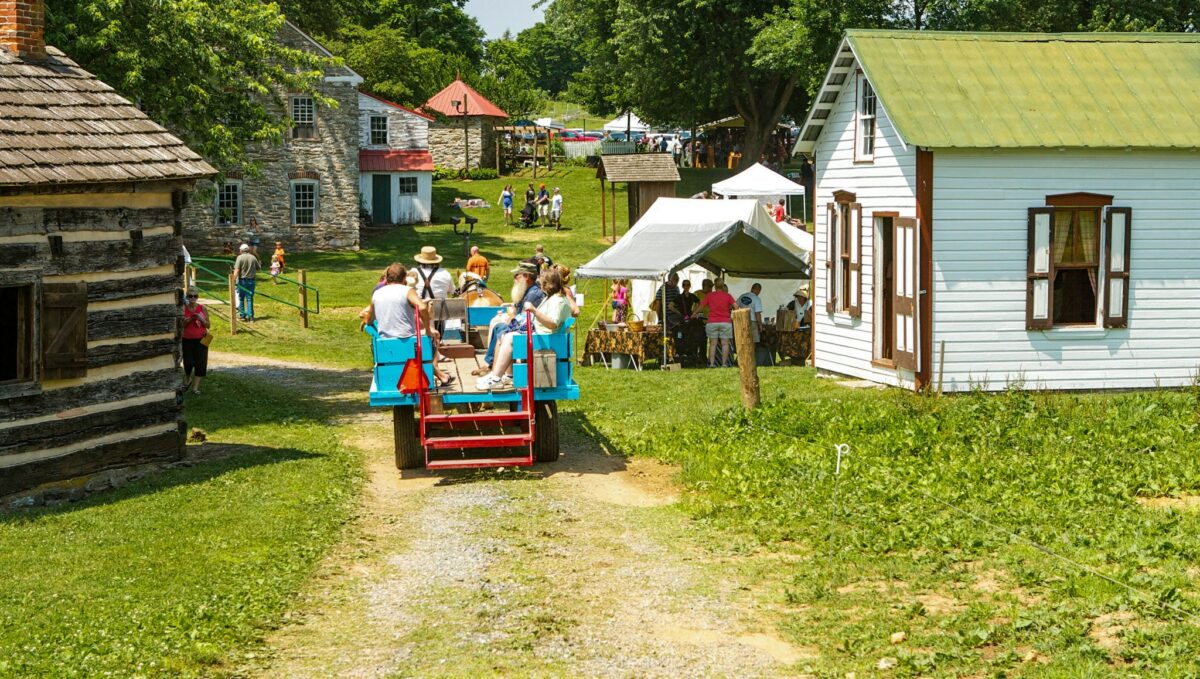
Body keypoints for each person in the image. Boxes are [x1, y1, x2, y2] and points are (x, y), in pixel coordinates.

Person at [476, 269, 571, 391]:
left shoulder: (558, 301)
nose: (539, 284)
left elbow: (552, 324)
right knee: (508, 334)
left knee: (510, 337)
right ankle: (498, 376)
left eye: (541, 282)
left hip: (547, 340)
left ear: (548, 284)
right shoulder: (552, 298)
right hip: (543, 336)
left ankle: (496, 377)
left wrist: (533, 310)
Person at [364, 263, 452, 387]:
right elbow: (421, 307)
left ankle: (441, 376)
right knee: (432, 340)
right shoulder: (407, 291)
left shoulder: (377, 294)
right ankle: (437, 375)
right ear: (404, 278)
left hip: (385, 344)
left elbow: (369, 320)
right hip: (408, 342)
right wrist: (428, 329)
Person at [473, 260, 546, 376]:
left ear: (527, 276)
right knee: (499, 327)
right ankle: (491, 365)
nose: (515, 278)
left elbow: (521, 320)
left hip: (530, 331)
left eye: (518, 275)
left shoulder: (533, 294)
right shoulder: (528, 290)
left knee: (501, 329)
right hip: (526, 327)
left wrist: (511, 316)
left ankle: (496, 370)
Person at [698, 281, 737, 368]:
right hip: (725, 322)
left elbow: (701, 306)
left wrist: (694, 313)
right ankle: (724, 364)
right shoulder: (728, 296)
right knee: (725, 344)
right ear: (723, 286)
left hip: (712, 322)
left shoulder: (709, 295)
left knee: (712, 344)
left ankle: (711, 364)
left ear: (714, 286)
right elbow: (736, 306)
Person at [181, 287, 210, 394]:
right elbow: (181, 325)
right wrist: (187, 321)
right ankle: (188, 379)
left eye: (195, 296)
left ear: (198, 297)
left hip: (201, 340)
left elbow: (208, 325)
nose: (193, 298)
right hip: (187, 340)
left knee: (200, 363)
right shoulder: (183, 308)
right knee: (188, 363)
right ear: (187, 297)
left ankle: (195, 387)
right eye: (190, 296)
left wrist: (202, 319)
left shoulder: (202, 308)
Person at [233, 243, 260, 321]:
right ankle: (251, 317)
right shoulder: (253, 257)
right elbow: (258, 268)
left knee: (241, 298)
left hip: (242, 281)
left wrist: (233, 280)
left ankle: (242, 316)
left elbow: (237, 270)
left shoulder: (239, 258)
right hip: (251, 281)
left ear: (241, 250)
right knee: (249, 299)